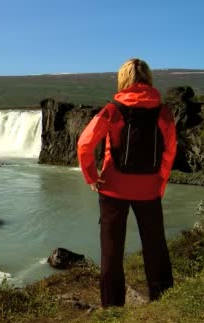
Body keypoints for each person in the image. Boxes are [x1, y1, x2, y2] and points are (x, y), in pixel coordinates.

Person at [77, 58, 177, 307]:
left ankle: (112, 306)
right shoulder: (163, 112)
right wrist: (159, 183)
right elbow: (169, 152)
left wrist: (91, 176)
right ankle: (163, 299)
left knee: (112, 250)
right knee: (155, 245)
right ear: (149, 79)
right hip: (149, 189)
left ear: (123, 79)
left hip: (113, 188)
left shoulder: (113, 109)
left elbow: (84, 145)